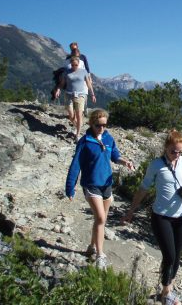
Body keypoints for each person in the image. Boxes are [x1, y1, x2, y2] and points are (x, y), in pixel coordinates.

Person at [121, 130, 182, 305]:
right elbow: (143, 188)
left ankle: (169, 285)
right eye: (173, 151)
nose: (176, 155)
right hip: (161, 217)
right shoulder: (156, 165)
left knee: (177, 256)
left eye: (180, 151)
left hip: (181, 216)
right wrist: (131, 211)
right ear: (166, 147)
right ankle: (166, 292)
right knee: (170, 256)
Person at [65, 109, 135, 270]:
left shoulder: (108, 138)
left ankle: (91, 246)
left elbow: (115, 155)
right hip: (91, 184)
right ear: (91, 123)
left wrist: (125, 162)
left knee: (99, 220)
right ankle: (100, 255)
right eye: (98, 125)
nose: (102, 128)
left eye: (104, 125)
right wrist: (70, 187)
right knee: (102, 219)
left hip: (107, 184)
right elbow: (75, 165)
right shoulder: (85, 142)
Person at [55, 56, 96, 141]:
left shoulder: (84, 72)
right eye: (73, 65)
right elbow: (62, 83)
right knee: (71, 115)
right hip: (69, 94)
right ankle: (77, 125)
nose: (74, 66)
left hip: (80, 95)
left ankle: (77, 135)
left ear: (79, 64)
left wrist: (92, 94)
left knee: (79, 115)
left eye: (76, 65)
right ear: (71, 64)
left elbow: (88, 84)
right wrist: (58, 89)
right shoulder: (67, 72)